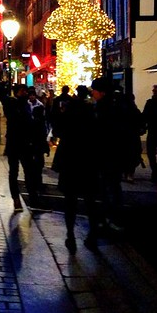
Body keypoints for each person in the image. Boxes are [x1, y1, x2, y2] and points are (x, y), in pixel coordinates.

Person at [51, 82, 102, 252]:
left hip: (70, 161)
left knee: (70, 202)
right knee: (90, 201)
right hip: (88, 161)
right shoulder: (91, 113)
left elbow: (57, 131)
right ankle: (93, 235)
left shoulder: (68, 111)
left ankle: (71, 235)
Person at [90, 77, 129, 231]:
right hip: (111, 154)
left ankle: (112, 218)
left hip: (107, 154)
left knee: (109, 186)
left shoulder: (105, 109)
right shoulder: (115, 105)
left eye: (94, 90)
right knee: (110, 186)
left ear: (102, 92)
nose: (92, 93)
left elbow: (103, 132)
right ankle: (109, 217)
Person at [2, 84, 42, 211]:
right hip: (15, 143)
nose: (25, 93)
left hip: (25, 144)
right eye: (23, 91)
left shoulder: (26, 105)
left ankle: (33, 199)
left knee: (29, 172)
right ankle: (16, 200)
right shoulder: (12, 103)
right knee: (15, 172)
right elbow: (19, 120)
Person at [26, 87, 51, 191]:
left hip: (35, 146)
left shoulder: (39, 107)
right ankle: (37, 183)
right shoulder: (38, 124)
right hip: (36, 147)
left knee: (36, 165)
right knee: (37, 165)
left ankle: (34, 183)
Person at [141, 84, 157, 182]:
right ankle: (156, 170)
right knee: (152, 153)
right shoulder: (152, 102)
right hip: (155, 130)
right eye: (154, 91)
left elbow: (145, 116)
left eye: (156, 91)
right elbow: (145, 116)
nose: (154, 92)